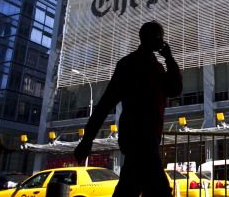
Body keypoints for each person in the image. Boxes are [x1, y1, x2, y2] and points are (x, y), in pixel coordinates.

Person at [74, 21, 182, 197]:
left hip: (143, 138)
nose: (162, 40)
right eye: (160, 36)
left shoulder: (154, 66)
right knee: (157, 189)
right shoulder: (130, 65)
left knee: (131, 185)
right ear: (154, 38)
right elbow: (105, 104)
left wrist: (169, 59)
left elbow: (174, 89)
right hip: (141, 138)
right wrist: (87, 140)